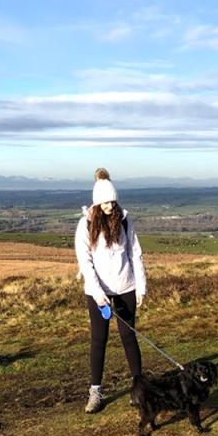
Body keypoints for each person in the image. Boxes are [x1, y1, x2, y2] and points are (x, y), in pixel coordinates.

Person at [75, 167, 146, 414]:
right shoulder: (85, 226)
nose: (109, 206)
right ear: (96, 202)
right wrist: (97, 293)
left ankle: (139, 390)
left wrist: (141, 286)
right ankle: (95, 391)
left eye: (112, 201)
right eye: (105, 202)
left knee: (129, 337)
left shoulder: (125, 221)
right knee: (99, 339)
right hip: (99, 292)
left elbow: (135, 254)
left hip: (125, 285)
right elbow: (85, 263)